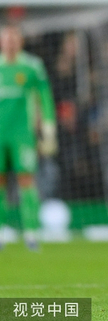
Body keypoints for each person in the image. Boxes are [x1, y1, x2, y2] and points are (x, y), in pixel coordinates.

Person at [0, 24, 58, 250]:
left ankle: (31, 233)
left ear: (20, 42)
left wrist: (48, 129)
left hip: (22, 134)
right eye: (6, 39)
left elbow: (45, 97)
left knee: (26, 180)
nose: (10, 43)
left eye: (13, 39)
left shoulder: (33, 66)